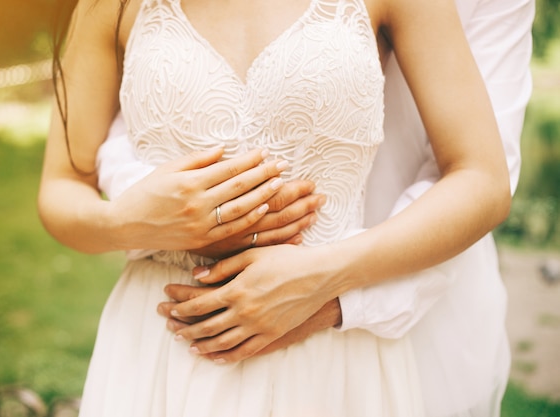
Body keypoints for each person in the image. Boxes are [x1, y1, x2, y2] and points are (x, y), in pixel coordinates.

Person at [38, 0, 513, 416]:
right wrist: (125, 223)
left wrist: (325, 276)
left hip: (330, 354)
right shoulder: (108, 5)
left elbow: (482, 179)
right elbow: (62, 186)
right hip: (164, 340)